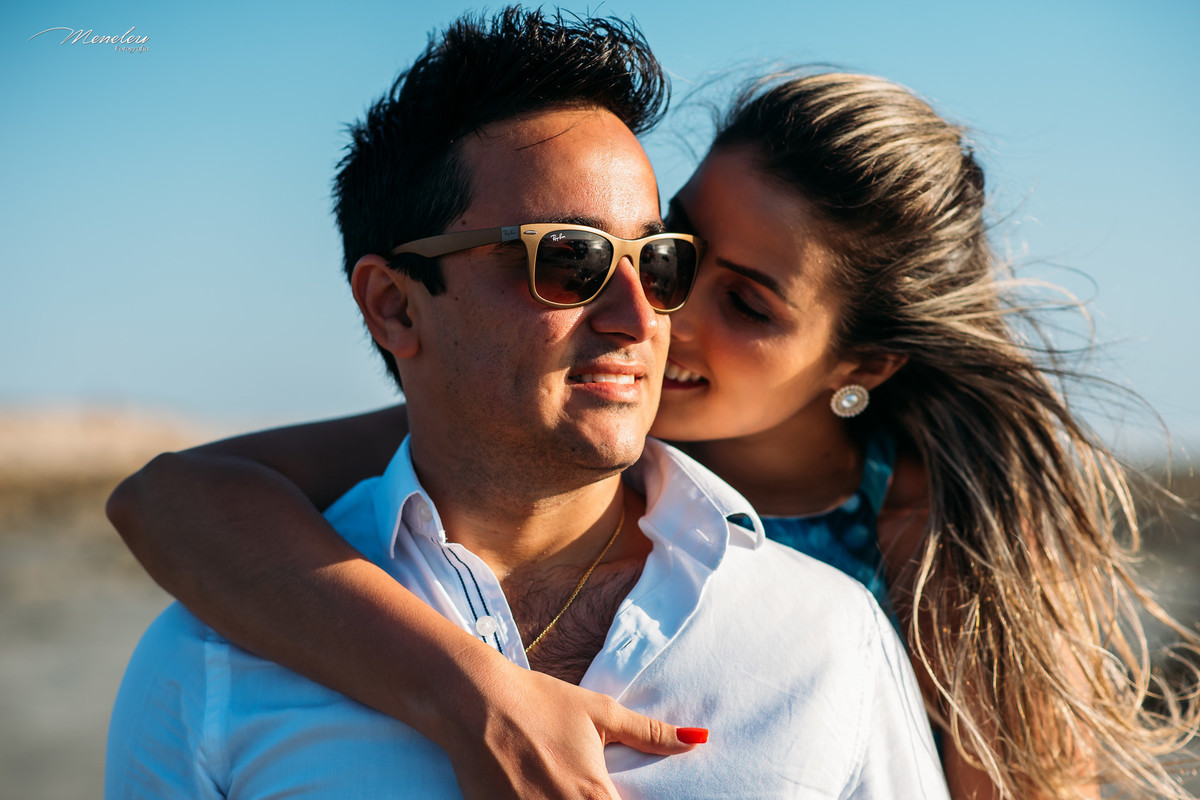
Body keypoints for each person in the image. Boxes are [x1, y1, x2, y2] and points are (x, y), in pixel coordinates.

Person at [106, 31, 1199, 800]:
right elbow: (174, 500)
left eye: (747, 303)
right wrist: (475, 692)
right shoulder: (526, 415)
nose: (653, 313)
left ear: (854, 366)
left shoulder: (928, 560)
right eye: (662, 250)